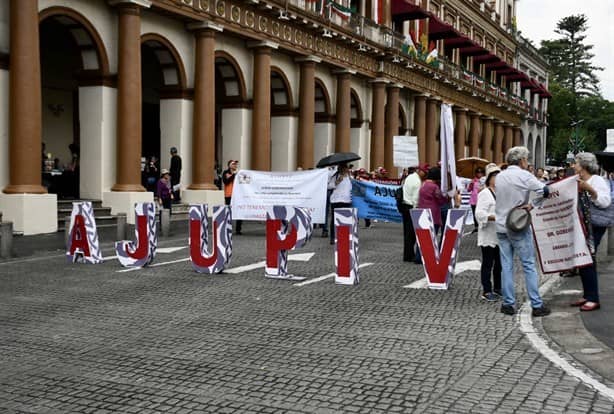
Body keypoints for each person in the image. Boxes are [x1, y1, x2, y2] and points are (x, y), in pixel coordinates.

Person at [495, 146, 550, 317]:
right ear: (521, 161)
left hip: (501, 224)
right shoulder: (525, 175)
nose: (527, 162)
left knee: (506, 265)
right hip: (518, 223)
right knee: (528, 265)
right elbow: (545, 190)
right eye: (526, 159)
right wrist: (532, 205)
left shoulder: (500, 176)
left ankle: (508, 303)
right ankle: (536, 304)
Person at [569, 153, 612, 311]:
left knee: (587, 259)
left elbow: (605, 201)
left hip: (594, 225)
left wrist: (590, 190)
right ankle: (588, 295)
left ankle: (593, 298)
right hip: (582, 225)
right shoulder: (577, 180)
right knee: (583, 259)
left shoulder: (597, 180)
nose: (574, 165)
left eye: (576, 163)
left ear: (584, 165)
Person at [475, 163, 501, 301]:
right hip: (488, 233)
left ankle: (498, 287)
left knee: (500, 263)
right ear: (489, 178)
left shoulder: (501, 192)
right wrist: (493, 217)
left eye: (499, 175)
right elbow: (479, 213)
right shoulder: (485, 193)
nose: (497, 178)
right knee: (488, 263)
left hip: (500, 233)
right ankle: (486, 290)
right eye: (494, 176)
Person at [400, 163, 428, 262]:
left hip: (405, 205)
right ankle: (409, 255)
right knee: (411, 234)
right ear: (419, 171)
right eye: (424, 172)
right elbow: (416, 198)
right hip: (412, 207)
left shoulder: (410, 177)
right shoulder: (417, 182)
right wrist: (417, 209)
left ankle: (407, 255)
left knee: (407, 233)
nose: (425, 174)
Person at [329, 163, 352, 245]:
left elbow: (351, 187)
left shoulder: (349, 177)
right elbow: (329, 186)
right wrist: (337, 181)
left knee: (345, 219)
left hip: (347, 200)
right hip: (336, 200)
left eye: (346, 168)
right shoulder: (335, 176)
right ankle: (333, 237)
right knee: (334, 219)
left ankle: (343, 236)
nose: (346, 169)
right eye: (345, 168)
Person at [223, 160, 242, 235]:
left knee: (239, 212)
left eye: (236, 164)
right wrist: (233, 175)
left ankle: (238, 229)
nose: (235, 165)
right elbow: (226, 182)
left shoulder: (239, 174)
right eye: (233, 164)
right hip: (229, 195)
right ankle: (228, 228)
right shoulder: (225, 173)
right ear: (229, 165)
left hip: (238, 195)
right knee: (228, 212)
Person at [468, 167, 485, 232]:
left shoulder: (484, 180)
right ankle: (476, 226)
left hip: (481, 199)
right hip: (473, 200)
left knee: (480, 213)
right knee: (474, 213)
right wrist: (471, 184)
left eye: (481, 172)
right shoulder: (473, 181)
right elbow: (469, 190)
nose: (479, 174)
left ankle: (481, 225)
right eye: (478, 172)